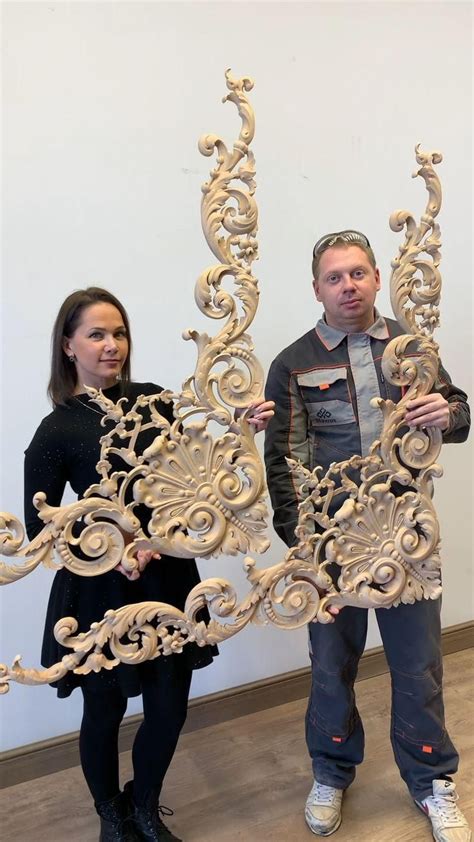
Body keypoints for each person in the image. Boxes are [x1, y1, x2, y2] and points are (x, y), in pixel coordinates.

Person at [24, 287, 274, 842]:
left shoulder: (154, 403)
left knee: (169, 705)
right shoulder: (57, 429)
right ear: (68, 346)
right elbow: (43, 526)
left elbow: (194, 472)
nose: (112, 345)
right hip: (96, 591)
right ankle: (111, 819)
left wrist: (239, 425)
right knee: (103, 711)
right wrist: (113, 548)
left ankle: (144, 805)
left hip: (166, 575)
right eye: (96, 334)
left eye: (119, 333)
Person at [264, 231, 471, 841]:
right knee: (331, 665)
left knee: (418, 666)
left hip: (408, 537)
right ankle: (330, 772)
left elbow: (456, 413)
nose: (348, 286)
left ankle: (432, 781)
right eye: (335, 277)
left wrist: (448, 412)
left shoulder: (413, 348)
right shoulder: (293, 363)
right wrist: (301, 547)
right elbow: (282, 460)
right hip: (329, 544)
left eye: (358, 273)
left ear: (378, 278)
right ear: (316, 289)